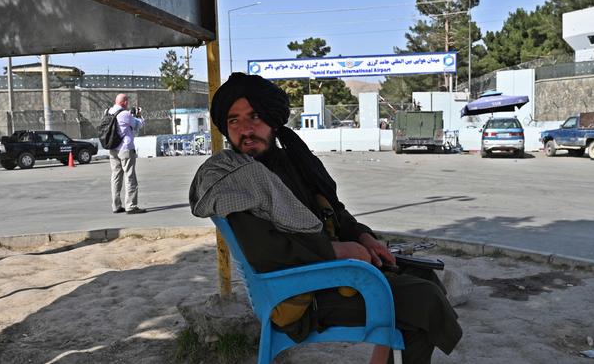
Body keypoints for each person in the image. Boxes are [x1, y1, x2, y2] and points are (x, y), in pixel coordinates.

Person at [190, 73, 461, 364]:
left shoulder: (292, 162)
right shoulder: (239, 183)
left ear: (272, 119)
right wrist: (337, 251)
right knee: (424, 300)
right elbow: (268, 253)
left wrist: (363, 237)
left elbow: (333, 211)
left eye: (254, 116)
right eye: (234, 121)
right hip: (299, 293)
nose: (245, 129)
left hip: (329, 272)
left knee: (425, 277)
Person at [108, 93, 146, 214]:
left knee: (116, 176)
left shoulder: (108, 112)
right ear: (124, 102)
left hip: (113, 148)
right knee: (130, 177)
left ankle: (116, 205)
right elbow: (138, 125)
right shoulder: (125, 114)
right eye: (127, 102)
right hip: (125, 148)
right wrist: (138, 115)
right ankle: (131, 206)